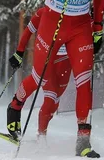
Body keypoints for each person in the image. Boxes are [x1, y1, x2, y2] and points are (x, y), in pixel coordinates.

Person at [6, 0, 104, 158]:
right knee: (39, 76)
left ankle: (83, 140)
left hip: (80, 25)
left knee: (84, 80)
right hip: (54, 19)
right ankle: (15, 107)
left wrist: (98, 28)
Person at [8, 7, 71, 137]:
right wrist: (19, 52)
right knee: (43, 85)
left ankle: (41, 134)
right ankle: (15, 106)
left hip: (65, 59)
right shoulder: (45, 11)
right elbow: (29, 30)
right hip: (46, 53)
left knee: (54, 102)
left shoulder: (80, 12)